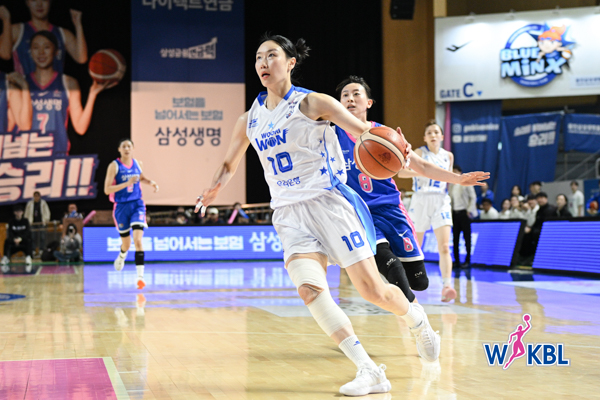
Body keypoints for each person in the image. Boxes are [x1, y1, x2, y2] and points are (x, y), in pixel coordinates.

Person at [195, 34, 443, 397]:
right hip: (288, 213)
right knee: (309, 290)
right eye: (259, 57)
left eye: (272, 55)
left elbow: (364, 132)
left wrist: (398, 146)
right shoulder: (249, 119)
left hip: (328, 203)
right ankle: (368, 369)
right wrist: (214, 187)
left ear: (290, 62)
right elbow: (229, 163)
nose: (263, 63)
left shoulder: (313, 102)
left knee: (372, 290)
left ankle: (417, 320)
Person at [334, 76, 488, 304]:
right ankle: (415, 319)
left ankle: (409, 297)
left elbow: (422, 166)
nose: (350, 99)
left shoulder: (385, 135)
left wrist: (458, 179)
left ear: (369, 103)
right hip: (358, 212)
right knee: (392, 267)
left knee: (419, 282)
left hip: (390, 208)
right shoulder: (331, 136)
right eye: (345, 95)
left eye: (356, 94)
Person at [26, 31, 111, 156]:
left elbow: (80, 128)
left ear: (56, 51)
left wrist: (92, 95)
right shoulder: (21, 83)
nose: (41, 52)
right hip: (26, 153)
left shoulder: (68, 82)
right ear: (30, 52)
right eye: (36, 47)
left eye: (47, 47)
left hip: (57, 154)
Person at [401, 121, 456, 302]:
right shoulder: (419, 153)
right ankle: (408, 285)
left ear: (442, 136)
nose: (433, 135)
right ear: (425, 138)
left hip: (441, 199)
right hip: (421, 199)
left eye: (436, 132)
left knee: (445, 246)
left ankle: (447, 286)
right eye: (429, 133)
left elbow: (448, 178)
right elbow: (401, 173)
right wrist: (423, 172)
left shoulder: (448, 156)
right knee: (416, 246)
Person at [104, 138, 159, 290]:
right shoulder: (114, 166)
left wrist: (151, 182)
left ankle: (140, 277)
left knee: (138, 240)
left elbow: (141, 178)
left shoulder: (138, 163)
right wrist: (127, 183)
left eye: (129, 146)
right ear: (119, 149)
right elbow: (107, 189)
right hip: (121, 206)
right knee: (127, 244)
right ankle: (122, 255)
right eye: (124, 146)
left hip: (137, 204)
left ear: (133, 148)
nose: (127, 149)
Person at [0, 1, 87, 75]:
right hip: (24, 89)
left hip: (55, 89)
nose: (39, 4)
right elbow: (5, 54)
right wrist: (6, 19)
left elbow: (81, 58)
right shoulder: (17, 30)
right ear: (27, 2)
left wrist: (78, 24)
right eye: (34, 0)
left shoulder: (62, 33)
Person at [448, 164, 478, 269]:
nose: (454, 173)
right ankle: (456, 260)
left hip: (464, 213)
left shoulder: (466, 182)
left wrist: (469, 210)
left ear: (460, 172)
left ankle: (468, 260)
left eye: (455, 171)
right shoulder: (451, 185)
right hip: (454, 213)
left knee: (467, 238)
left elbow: (473, 197)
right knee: (455, 238)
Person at [2, 205, 33, 270]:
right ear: (14, 212)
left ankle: (28, 257)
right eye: (17, 211)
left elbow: (27, 232)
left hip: (23, 240)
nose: (18, 213)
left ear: (22, 212)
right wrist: (14, 239)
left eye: (20, 211)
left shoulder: (25, 221)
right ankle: (6, 257)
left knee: (29, 241)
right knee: (7, 241)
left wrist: (20, 239)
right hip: (14, 241)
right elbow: (10, 233)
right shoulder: (11, 221)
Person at [25, 190, 51, 256]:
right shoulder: (30, 203)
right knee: (32, 237)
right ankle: (33, 250)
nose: (36, 197)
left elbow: (47, 212)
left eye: (37, 196)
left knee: (42, 237)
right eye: (35, 196)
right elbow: (26, 213)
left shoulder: (43, 203)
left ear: (39, 196)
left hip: (41, 223)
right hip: (32, 223)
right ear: (33, 196)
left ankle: (41, 249)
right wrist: (27, 221)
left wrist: (46, 220)